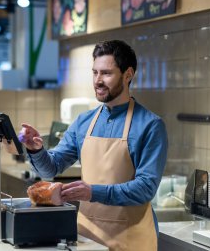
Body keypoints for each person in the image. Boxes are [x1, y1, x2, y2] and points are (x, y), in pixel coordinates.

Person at [19, 40, 168, 251]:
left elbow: (145, 189)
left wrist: (93, 192)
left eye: (106, 73)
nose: (98, 81)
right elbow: (50, 169)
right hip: (86, 238)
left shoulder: (150, 126)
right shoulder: (84, 122)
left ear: (128, 75)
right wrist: (36, 149)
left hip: (131, 240)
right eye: (95, 72)